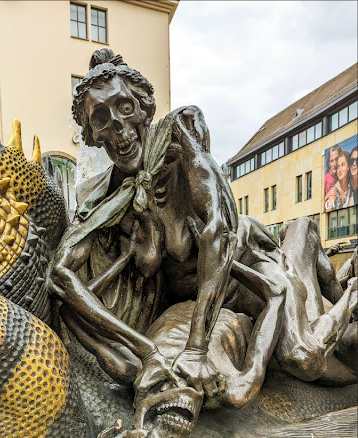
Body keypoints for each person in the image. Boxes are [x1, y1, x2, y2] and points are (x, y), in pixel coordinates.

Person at [50, 49, 357, 404]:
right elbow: (60, 275)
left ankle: (338, 277)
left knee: (300, 356)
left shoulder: (180, 135)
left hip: (245, 273)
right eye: (101, 118)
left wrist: (196, 350)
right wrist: (145, 350)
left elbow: (218, 229)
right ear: (91, 134)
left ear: (144, 108)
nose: (118, 127)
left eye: (124, 107)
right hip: (194, 300)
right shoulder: (106, 197)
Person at [323, 144, 341, 208]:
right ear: (328, 163)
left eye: (336, 159)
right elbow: (318, 206)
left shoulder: (341, 176)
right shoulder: (325, 179)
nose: (334, 164)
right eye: (331, 161)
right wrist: (328, 195)